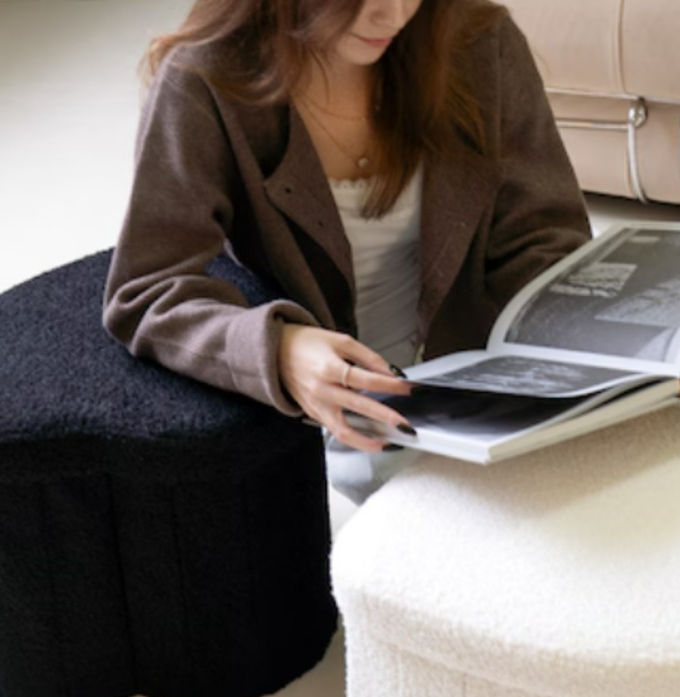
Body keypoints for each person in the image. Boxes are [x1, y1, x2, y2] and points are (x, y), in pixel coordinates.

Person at [103, 0, 591, 500]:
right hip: (329, 436)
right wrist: (280, 349)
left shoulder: (479, 41)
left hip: (487, 414)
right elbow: (146, 290)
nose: (393, 16)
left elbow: (544, 237)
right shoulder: (206, 80)